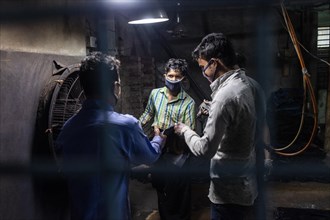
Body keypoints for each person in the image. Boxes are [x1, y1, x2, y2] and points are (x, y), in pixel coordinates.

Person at [55, 51, 165, 220]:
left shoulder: (68, 129)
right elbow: (150, 156)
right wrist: (159, 138)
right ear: (115, 86)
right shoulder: (125, 125)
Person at [174, 33, 265, 220]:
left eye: (203, 67)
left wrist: (185, 131)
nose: (203, 73)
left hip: (228, 194)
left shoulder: (224, 96)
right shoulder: (246, 84)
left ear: (214, 63)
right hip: (245, 183)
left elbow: (205, 149)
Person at [139, 58, 196, 220]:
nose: (173, 79)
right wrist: (135, 126)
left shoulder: (189, 103)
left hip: (178, 149)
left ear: (183, 78)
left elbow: (188, 132)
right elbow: (148, 114)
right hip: (159, 146)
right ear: (164, 75)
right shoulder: (155, 94)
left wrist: (170, 133)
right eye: (170, 75)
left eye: (177, 77)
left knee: (179, 190)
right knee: (161, 186)